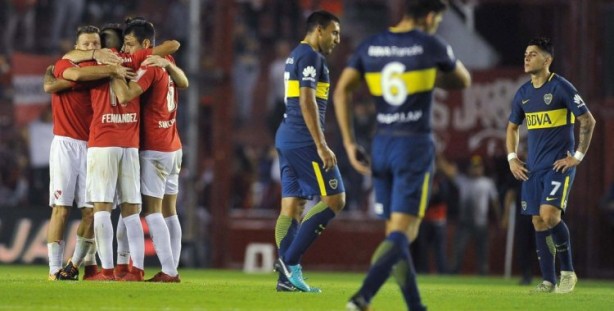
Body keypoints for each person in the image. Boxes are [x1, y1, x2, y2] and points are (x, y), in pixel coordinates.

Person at [334, 0, 471, 309]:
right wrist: (432, 74)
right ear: (429, 15)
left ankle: (415, 306)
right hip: (414, 145)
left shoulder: (371, 46)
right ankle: (363, 296)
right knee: (403, 234)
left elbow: (342, 90)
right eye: (437, 19)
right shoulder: (430, 45)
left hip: (381, 144)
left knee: (394, 235)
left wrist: (348, 142)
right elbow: (463, 80)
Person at [506, 37, 596, 294]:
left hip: (558, 166)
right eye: (525, 53)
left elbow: (588, 121)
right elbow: (512, 127)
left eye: (532, 54)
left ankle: (567, 272)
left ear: (547, 60)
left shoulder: (561, 87)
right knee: (537, 221)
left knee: (549, 215)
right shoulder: (523, 94)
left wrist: (577, 156)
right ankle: (548, 281)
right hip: (533, 169)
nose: (526, 57)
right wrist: (512, 158)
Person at [42, 25, 132, 281]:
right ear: (77, 47)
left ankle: (74, 264)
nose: (92, 48)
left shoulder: (102, 73)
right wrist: (108, 66)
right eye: (87, 44)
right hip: (65, 144)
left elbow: (52, 84)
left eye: (96, 44)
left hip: (94, 146)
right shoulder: (64, 65)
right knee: (60, 208)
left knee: (91, 212)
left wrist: (110, 67)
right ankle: (53, 269)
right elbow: (72, 75)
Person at [110, 19, 189, 282]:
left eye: (130, 44)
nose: (127, 49)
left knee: (152, 210)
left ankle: (169, 271)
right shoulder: (168, 62)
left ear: (146, 45)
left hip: (154, 147)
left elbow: (127, 94)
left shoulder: (149, 65)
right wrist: (167, 62)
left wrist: (114, 73)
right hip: (174, 145)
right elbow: (184, 84)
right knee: (170, 211)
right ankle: (172, 268)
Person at [272, 10, 344, 293]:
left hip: (287, 135)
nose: (337, 39)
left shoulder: (294, 55)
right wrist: (321, 144)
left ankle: (286, 280)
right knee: (335, 199)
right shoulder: (312, 57)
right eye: (334, 33)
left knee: (292, 207)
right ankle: (289, 263)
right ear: (320, 30)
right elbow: (306, 100)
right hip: (303, 139)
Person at [442, 155, 501, 275]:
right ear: (469, 169)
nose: (476, 170)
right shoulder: (463, 181)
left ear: (482, 169)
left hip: (481, 223)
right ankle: (454, 272)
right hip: (464, 223)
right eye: (473, 167)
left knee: (483, 252)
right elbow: (449, 172)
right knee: (458, 250)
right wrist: (439, 157)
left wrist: (499, 218)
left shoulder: (487, 183)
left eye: (478, 167)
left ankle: (483, 273)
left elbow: (495, 202)